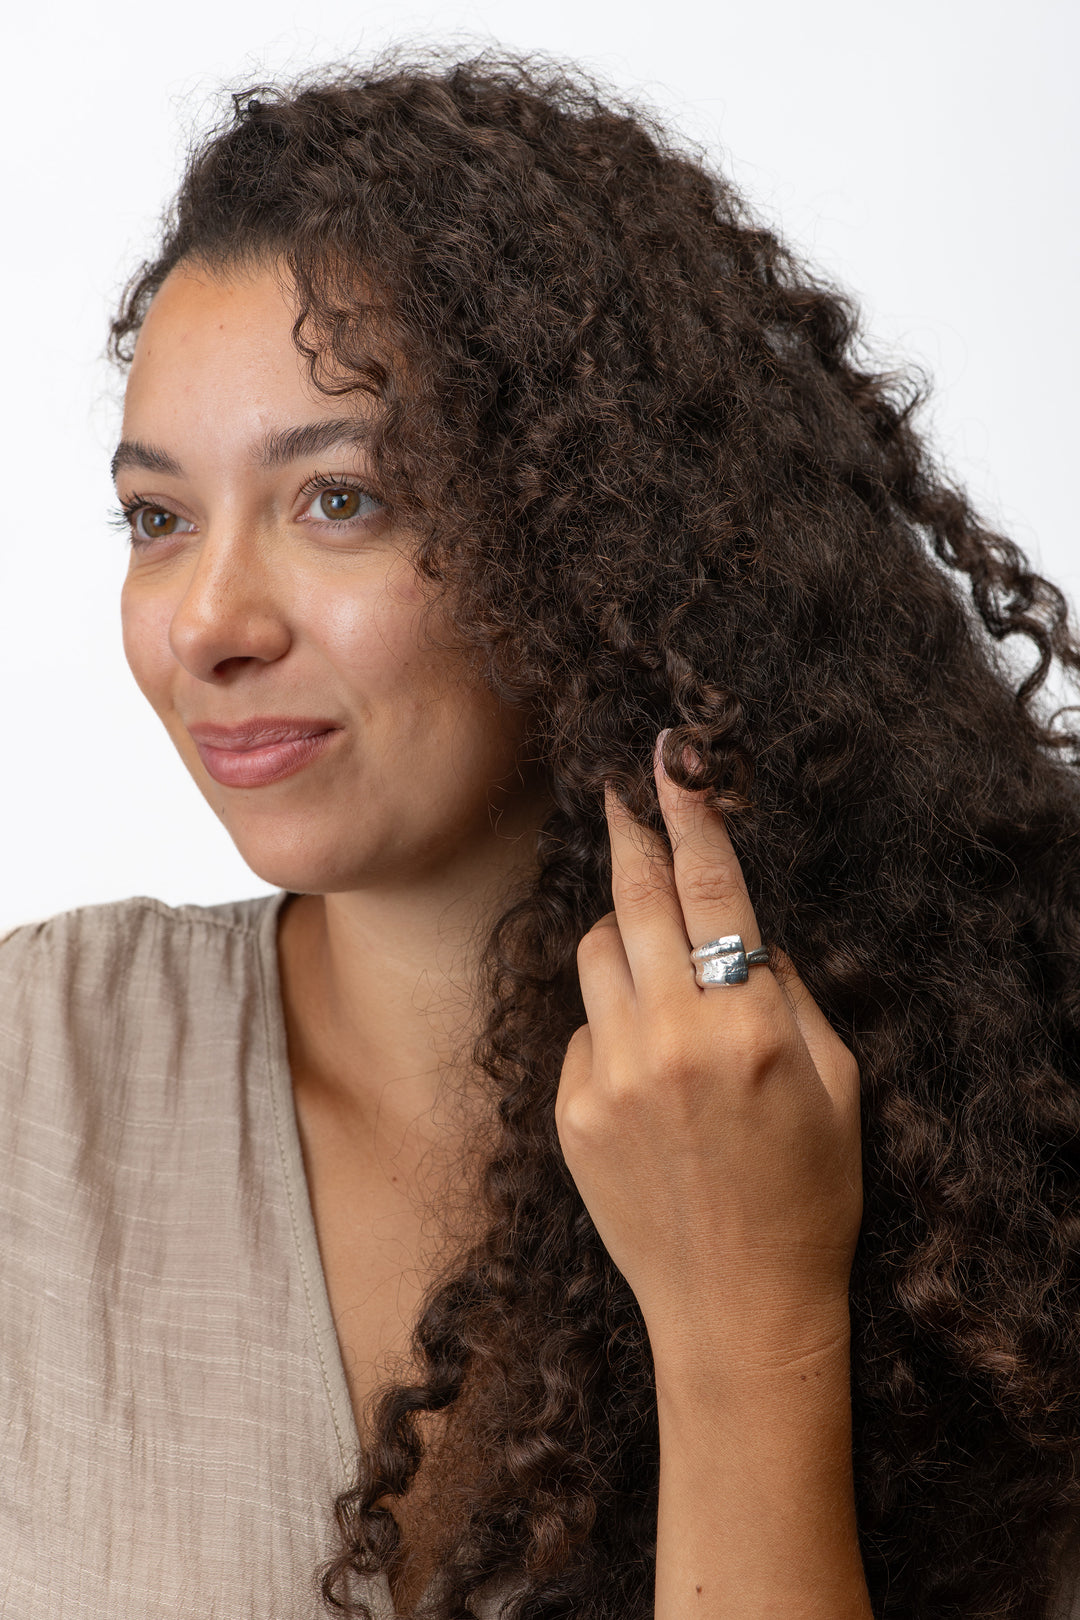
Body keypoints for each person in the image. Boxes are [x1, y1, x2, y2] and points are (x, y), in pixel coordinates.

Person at [1, 50, 1078, 1620]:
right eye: (159, 519)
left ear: (593, 531)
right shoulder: (38, 1081)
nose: (209, 623)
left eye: (343, 499)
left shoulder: (1008, 1149)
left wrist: (745, 1328)